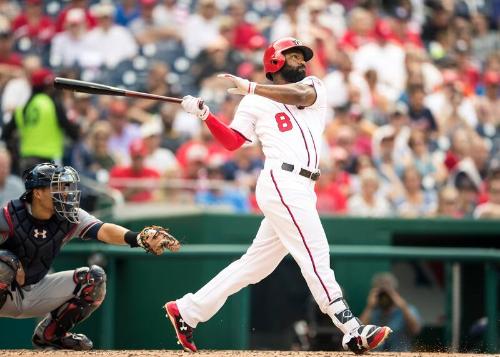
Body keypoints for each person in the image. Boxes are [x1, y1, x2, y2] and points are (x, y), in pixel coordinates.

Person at [164, 37, 391, 354]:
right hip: (281, 180)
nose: (302, 61)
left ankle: (188, 310)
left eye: (302, 56)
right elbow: (233, 142)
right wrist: (206, 115)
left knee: (255, 266)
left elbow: (299, 94)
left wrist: (250, 86)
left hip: (303, 186)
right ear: (275, 61)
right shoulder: (253, 102)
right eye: (294, 56)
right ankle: (352, 330)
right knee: (316, 256)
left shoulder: (313, 86)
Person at [0, 162, 179, 350]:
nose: (65, 192)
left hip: (35, 290)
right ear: (37, 193)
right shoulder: (9, 215)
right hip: (7, 294)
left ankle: (51, 335)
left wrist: (138, 238)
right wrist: (8, 258)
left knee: (94, 279)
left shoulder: (68, 216)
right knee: (4, 265)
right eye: (57, 187)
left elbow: (103, 230)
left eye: (65, 186)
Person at [1, 68, 80, 175]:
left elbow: (6, 133)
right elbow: (72, 132)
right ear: (48, 87)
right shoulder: (53, 104)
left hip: (27, 159)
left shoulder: (24, 106)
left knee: (30, 191)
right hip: (49, 159)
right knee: (48, 191)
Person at [359, 272, 422, 351]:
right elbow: (359, 334)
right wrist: (369, 307)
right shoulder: (373, 312)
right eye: (382, 293)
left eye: (388, 292)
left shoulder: (408, 309)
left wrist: (403, 307)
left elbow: (415, 330)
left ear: (395, 292)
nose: (385, 296)